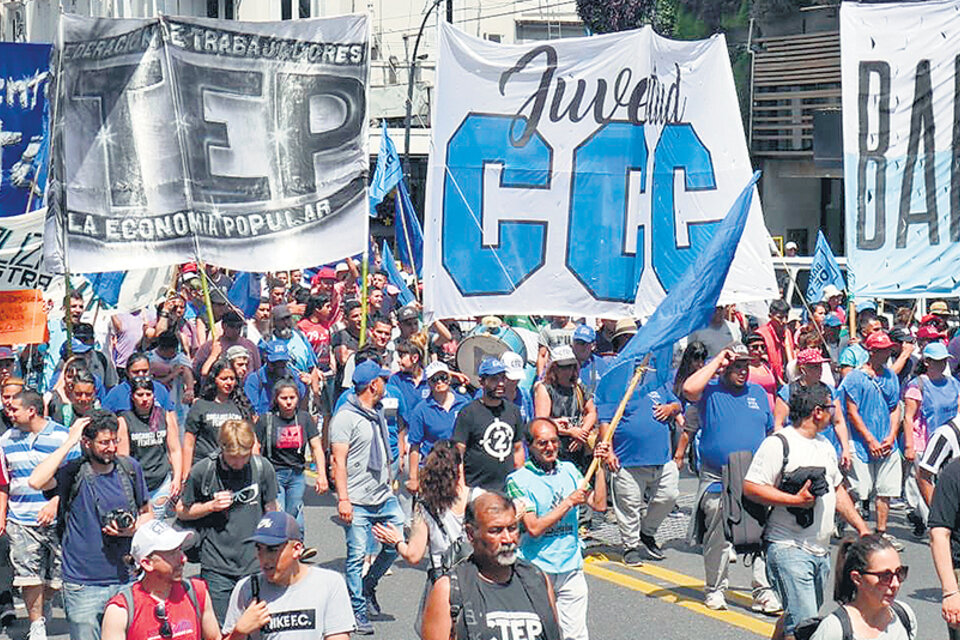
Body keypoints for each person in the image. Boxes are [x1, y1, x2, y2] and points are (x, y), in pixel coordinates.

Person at [744, 384, 870, 639]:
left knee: (796, 617)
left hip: (819, 551)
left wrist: (862, 527)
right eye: (831, 407)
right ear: (817, 412)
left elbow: (837, 491)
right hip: (787, 547)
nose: (834, 413)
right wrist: (794, 500)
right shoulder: (779, 443)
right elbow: (751, 486)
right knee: (806, 625)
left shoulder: (824, 445)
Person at [28, 409, 153, 640]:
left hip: (125, 579)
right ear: (86, 443)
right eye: (104, 442)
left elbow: (148, 514)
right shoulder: (73, 472)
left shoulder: (130, 469)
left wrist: (133, 528)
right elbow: (36, 481)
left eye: (115, 441)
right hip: (83, 584)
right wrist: (69, 442)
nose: (111, 448)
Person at [681, 344, 781, 613]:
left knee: (763, 533)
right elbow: (689, 390)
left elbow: (770, 430)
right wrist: (717, 361)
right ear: (725, 367)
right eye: (736, 365)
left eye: (746, 365)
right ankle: (715, 589)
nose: (743, 371)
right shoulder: (710, 390)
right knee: (719, 535)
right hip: (718, 476)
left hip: (754, 474)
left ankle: (763, 591)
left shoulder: (758, 393)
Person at [505, 418, 611, 640]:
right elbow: (533, 527)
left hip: (571, 566)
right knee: (540, 633)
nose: (550, 447)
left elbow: (599, 504)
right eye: (542, 443)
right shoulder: (518, 480)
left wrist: (599, 466)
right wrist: (569, 502)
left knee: (576, 635)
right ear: (530, 445)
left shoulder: (570, 470)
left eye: (554, 442)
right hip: (536, 569)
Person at [176, 420, 278, 624]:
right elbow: (181, 510)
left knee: (258, 628)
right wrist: (210, 506)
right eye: (233, 458)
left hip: (254, 563)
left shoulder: (261, 467)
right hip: (217, 565)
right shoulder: (203, 470)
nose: (239, 463)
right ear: (221, 448)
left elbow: (271, 508)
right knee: (222, 629)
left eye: (244, 457)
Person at [420, 492, 561, 640]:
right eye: (495, 531)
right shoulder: (450, 589)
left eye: (512, 528)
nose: (507, 539)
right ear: (471, 534)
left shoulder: (537, 579)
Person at [330, 359, 405, 634]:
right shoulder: (345, 418)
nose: (386, 383)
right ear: (373, 385)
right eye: (383, 379)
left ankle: (368, 585)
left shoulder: (378, 412)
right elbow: (339, 461)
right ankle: (357, 608)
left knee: (396, 544)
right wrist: (343, 499)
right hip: (358, 500)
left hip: (383, 496)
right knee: (357, 554)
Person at [0, 389, 81, 640]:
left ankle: (43, 609)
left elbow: (73, 477)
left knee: (53, 577)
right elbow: (4, 481)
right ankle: (36, 624)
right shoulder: (5, 439)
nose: (8, 412)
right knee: (27, 575)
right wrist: (2, 515)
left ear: (31, 410)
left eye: (14, 409)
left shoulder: (61, 436)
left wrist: (55, 503)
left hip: (55, 518)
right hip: (20, 518)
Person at [221, 511, 354, 640]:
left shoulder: (329, 584)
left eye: (272, 549)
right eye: (259, 548)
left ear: (296, 549)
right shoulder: (247, 588)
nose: (264, 558)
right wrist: (239, 632)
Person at [598, 366, 682, 566]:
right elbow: (605, 421)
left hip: (661, 458)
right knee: (629, 506)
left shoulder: (656, 382)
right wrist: (608, 451)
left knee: (669, 496)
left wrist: (670, 409)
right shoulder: (616, 387)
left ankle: (647, 532)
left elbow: (677, 404)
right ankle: (630, 546)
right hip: (628, 460)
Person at [100, 520, 220, 640]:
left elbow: (214, 637)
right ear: (147, 563)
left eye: (180, 550)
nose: (183, 558)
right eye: (172, 553)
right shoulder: (120, 610)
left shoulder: (196, 592)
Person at [838, 331, 903, 550]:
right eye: (883, 349)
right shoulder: (855, 377)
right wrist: (869, 439)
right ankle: (854, 525)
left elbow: (895, 408)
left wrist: (892, 435)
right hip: (861, 444)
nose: (887, 353)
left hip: (887, 443)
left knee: (885, 490)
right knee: (858, 490)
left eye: (888, 349)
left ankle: (881, 533)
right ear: (872, 351)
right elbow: (851, 411)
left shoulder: (891, 376)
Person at [808, 534, 916, 640]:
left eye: (899, 573)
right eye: (885, 576)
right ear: (857, 578)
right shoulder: (834, 629)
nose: (895, 584)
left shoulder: (904, 615)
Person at [903, 341, 960, 538]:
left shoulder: (953, 384)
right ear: (927, 362)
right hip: (923, 441)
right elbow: (908, 416)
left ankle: (934, 518)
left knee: (945, 482)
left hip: (948, 442)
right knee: (923, 481)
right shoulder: (917, 384)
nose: (942, 364)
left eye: (944, 360)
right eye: (937, 360)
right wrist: (909, 445)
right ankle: (930, 521)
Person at [254, 380, 327, 528]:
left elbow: (316, 447)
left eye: (292, 398)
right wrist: (258, 474)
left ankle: (297, 545)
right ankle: (279, 547)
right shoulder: (266, 420)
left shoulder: (304, 418)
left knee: (294, 511)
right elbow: (256, 448)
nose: (288, 402)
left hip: (296, 473)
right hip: (274, 473)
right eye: (284, 398)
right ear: (276, 399)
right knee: (278, 513)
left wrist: (322, 475)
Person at [453, 358, 526, 491]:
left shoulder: (513, 411)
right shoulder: (468, 413)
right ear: (481, 382)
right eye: (494, 379)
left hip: (507, 488)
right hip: (476, 488)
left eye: (503, 378)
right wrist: (461, 487)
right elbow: (458, 454)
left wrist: (520, 482)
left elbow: (518, 449)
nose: (500, 384)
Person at [774, 348, 852, 470]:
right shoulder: (788, 392)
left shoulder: (830, 391)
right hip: (798, 451)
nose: (819, 370)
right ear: (803, 369)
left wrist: (845, 449)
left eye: (820, 366)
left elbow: (838, 422)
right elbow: (779, 425)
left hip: (827, 448)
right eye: (814, 367)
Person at [117, 378, 183, 518]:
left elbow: (175, 450)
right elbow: (123, 459)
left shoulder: (165, 416)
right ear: (132, 397)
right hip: (138, 484)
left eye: (148, 394)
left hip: (161, 481)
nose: (145, 399)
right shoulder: (124, 420)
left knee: (157, 526)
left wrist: (177, 478)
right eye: (140, 395)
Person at [406, 362, 470, 494]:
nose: (439, 382)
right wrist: (413, 478)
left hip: (460, 468)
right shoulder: (421, 410)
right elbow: (415, 446)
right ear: (429, 383)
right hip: (434, 470)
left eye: (443, 377)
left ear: (450, 378)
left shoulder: (464, 404)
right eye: (434, 379)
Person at [534, 345, 598, 475]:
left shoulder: (579, 388)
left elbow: (591, 411)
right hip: (556, 448)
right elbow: (541, 421)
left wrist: (582, 433)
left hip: (579, 449)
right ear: (554, 368)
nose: (567, 371)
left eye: (570, 367)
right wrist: (570, 432)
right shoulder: (545, 389)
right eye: (563, 367)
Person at [184, 359, 246, 476]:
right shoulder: (200, 406)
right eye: (224, 378)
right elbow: (189, 442)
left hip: (233, 468)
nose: (228, 383)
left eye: (232, 379)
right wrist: (186, 474)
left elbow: (250, 440)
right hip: (204, 466)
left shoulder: (241, 406)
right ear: (214, 380)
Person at [194, 310, 261, 383]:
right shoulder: (210, 346)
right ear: (223, 325)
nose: (236, 330)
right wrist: (213, 356)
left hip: (245, 389)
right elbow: (196, 370)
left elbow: (258, 371)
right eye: (232, 326)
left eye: (239, 326)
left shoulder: (250, 345)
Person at [244, 341, 307, 417]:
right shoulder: (255, 379)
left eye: (282, 362)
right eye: (275, 363)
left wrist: (308, 386)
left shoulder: (294, 377)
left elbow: (302, 403)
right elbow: (252, 411)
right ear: (266, 360)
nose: (279, 366)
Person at [758, 300, 795, 384]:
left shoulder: (787, 333)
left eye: (786, 317)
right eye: (780, 318)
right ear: (770, 316)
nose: (785, 321)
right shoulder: (761, 335)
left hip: (786, 381)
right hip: (768, 381)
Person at [571, 324, 609, 397]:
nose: (579, 347)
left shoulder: (602, 365)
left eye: (583, 343)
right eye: (577, 342)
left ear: (593, 345)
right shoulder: (563, 363)